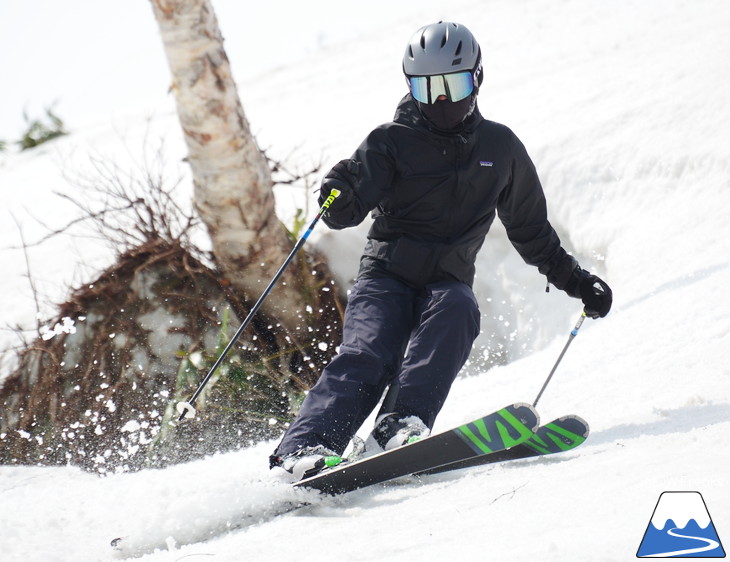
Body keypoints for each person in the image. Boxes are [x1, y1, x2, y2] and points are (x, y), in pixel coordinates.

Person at [269, 21, 612, 480]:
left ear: (478, 78)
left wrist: (578, 281)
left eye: (454, 84)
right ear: (411, 86)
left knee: (458, 310)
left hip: (446, 283)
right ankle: (303, 451)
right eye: (428, 88)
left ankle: (399, 425)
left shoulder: (501, 148)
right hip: (385, 278)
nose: (443, 100)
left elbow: (530, 230)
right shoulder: (390, 142)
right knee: (369, 353)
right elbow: (345, 212)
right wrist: (338, 192)